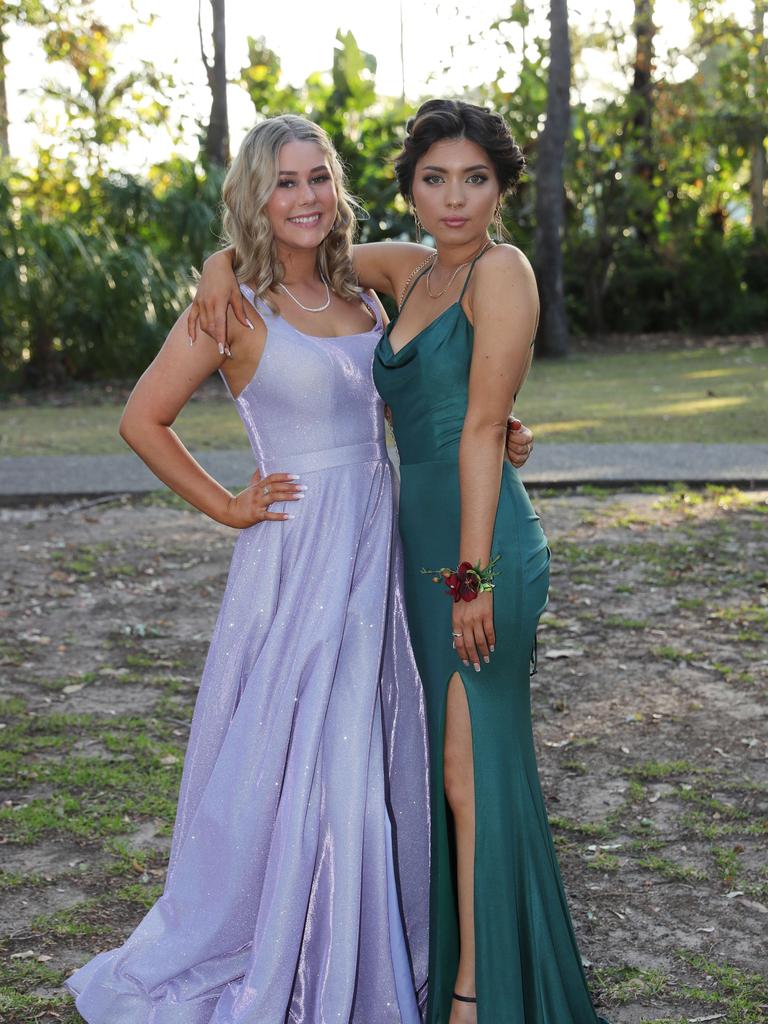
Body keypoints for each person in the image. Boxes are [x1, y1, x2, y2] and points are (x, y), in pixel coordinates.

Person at [192, 101, 609, 1024]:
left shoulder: (502, 271)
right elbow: (306, 256)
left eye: (476, 180)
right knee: (458, 763)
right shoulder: (409, 273)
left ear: (502, 189)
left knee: (469, 765)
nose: (455, 199)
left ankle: (473, 995)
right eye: (435, 178)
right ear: (409, 189)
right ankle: (477, 962)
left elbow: (479, 426)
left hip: (479, 551)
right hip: (417, 551)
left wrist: (472, 579)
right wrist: (222, 260)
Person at [66, 114, 432, 1024]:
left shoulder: (365, 293)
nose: (306, 197)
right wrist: (229, 503)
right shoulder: (232, 311)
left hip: (375, 551)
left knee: (373, 753)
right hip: (297, 561)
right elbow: (142, 419)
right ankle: (303, 960)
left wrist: (496, 424)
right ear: (254, 196)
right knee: (313, 763)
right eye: (284, 182)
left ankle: (377, 950)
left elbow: (448, 260)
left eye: (319, 178)